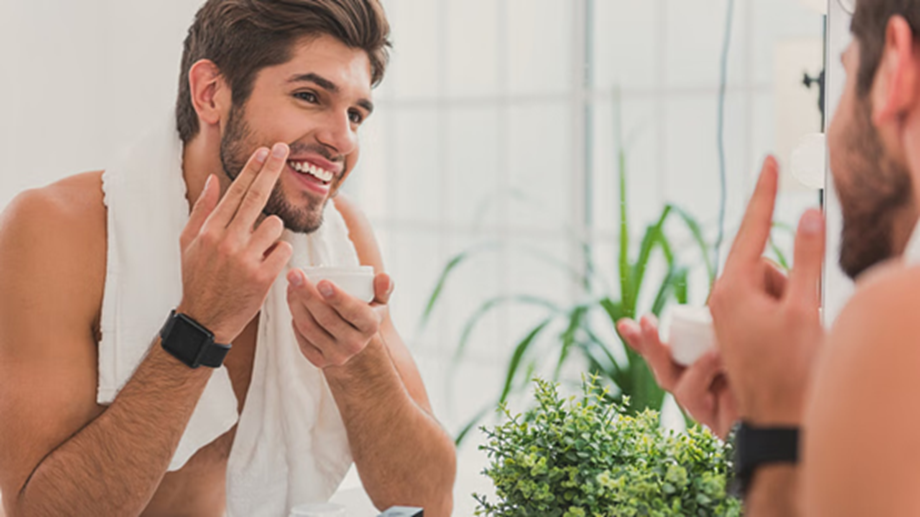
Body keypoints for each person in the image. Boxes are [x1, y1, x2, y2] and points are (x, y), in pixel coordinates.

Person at [0, 1, 457, 516]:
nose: (343, 140)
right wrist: (198, 326)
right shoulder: (57, 231)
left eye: (356, 114)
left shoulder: (342, 236)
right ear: (211, 93)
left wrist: (359, 362)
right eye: (310, 96)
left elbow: (430, 502)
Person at [619, 0, 920, 515]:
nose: (832, 129)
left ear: (894, 65)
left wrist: (776, 423)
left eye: (845, 76)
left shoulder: (897, 318)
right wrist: (770, 411)